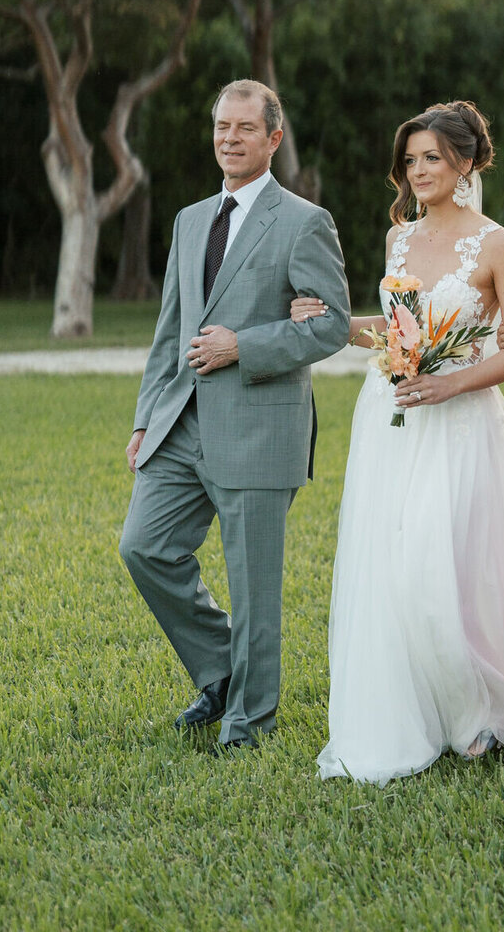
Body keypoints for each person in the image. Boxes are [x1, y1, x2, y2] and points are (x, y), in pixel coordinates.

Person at [288, 100, 504, 783]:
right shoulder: (398, 240)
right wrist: (333, 322)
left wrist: (453, 386)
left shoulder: (497, 244)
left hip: (462, 422)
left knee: (452, 567)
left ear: (465, 163)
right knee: (396, 563)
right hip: (391, 419)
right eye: (410, 161)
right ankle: (424, 707)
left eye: (432, 158)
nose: (418, 172)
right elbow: (398, 335)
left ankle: (477, 713)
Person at [119, 79, 351, 750]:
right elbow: (171, 329)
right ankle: (220, 670)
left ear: (273, 138)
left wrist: (243, 345)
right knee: (143, 546)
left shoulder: (306, 221)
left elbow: (331, 325)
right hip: (181, 423)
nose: (230, 139)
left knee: (254, 586)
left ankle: (249, 721)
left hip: (261, 423)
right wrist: (145, 418)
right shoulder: (190, 220)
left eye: (245, 128)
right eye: (222, 127)